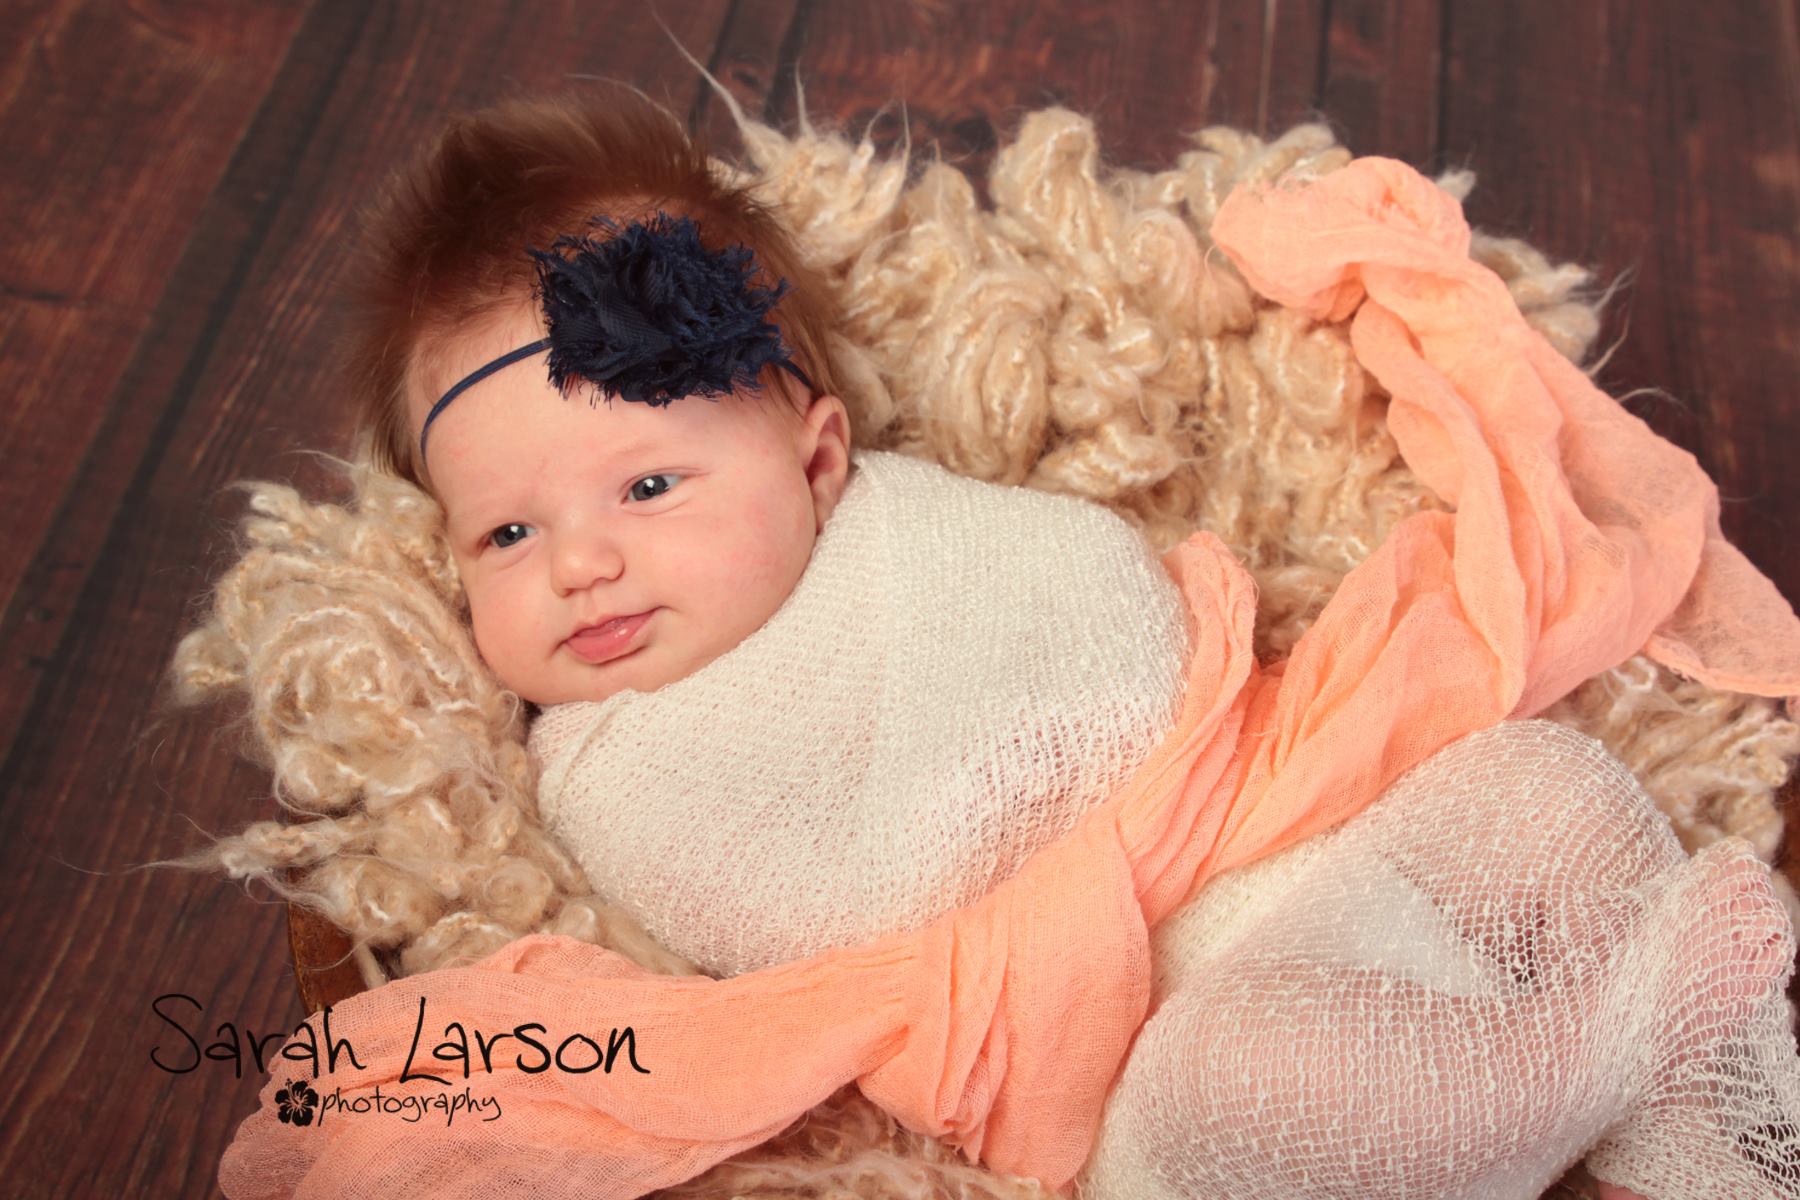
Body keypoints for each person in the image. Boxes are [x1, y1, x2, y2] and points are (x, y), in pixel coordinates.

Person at [218, 89, 1800, 1200]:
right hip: (1134, 1057)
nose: (581, 563)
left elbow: (1112, 611)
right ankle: (1595, 1050)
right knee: (1249, 1091)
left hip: (1297, 850)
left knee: (1538, 789)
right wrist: (1069, 863)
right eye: (505, 536)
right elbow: (812, 908)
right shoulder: (609, 763)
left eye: (646, 486)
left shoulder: (904, 523)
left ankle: (1665, 1091)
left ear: (815, 460)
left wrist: (1155, 768)